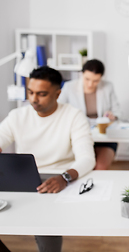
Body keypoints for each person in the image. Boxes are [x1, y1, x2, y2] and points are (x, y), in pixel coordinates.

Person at [0, 66, 96, 252]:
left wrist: (65, 177)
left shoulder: (73, 116)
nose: (34, 99)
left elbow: (87, 159)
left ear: (58, 93)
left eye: (42, 94)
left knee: (47, 236)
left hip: (58, 181)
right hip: (23, 180)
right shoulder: (17, 116)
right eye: (30, 92)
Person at [58, 59, 121, 170]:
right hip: (79, 136)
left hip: (104, 138)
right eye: (87, 79)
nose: (90, 84)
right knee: (82, 167)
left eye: (96, 81)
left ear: (101, 77)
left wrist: (112, 115)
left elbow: (117, 111)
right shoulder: (69, 87)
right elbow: (59, 110)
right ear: (82, 74)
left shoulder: (107, 87)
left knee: (100, 168)